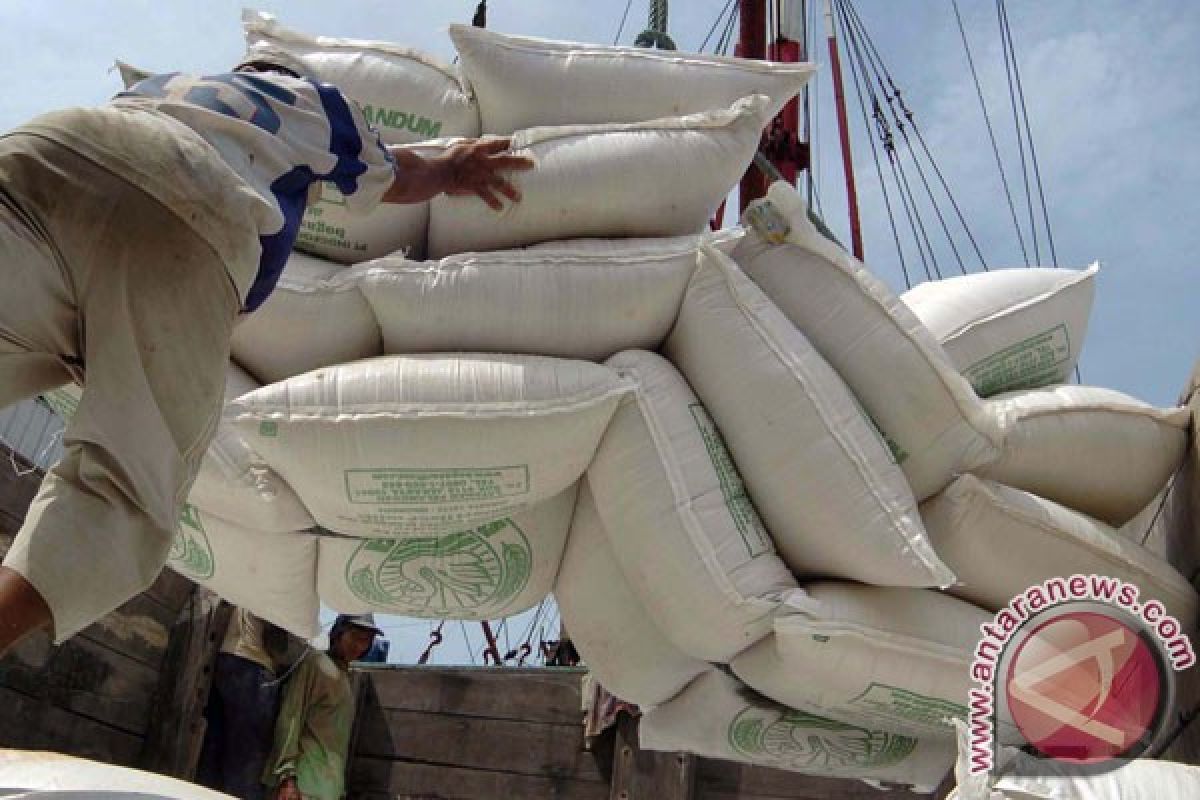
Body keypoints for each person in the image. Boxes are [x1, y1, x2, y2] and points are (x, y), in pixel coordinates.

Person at [0, 62, 531, 656]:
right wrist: (452, 168)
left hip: (48, 148)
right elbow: (393, 174)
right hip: (187, 207)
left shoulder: (166, 82)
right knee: (125, 493)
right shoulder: (312, 102)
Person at [264, 613, 382, 800]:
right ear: (338, 633)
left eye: (365, 640)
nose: (359, 645)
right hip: (303, 787)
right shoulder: (316, 664)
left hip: (328, 789)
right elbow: (291, 717)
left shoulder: (345, 678)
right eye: (354, 637)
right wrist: (287, 777)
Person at [197, 608, 292, 800]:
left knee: (213, 757)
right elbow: (275, 642)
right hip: (254, 663)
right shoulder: (280, 581)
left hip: (226, 656)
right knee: (247, 762)